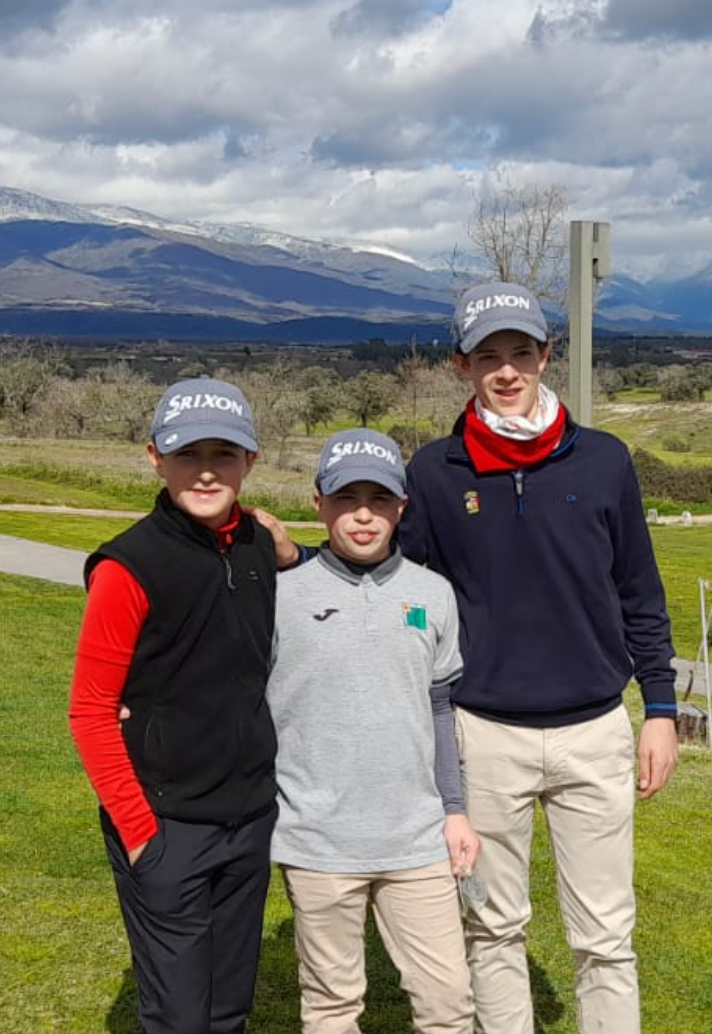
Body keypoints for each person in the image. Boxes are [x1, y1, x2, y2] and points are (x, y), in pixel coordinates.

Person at [398, 282, 680, 1034]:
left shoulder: (605, 462)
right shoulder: (433, 473)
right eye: (488, 356)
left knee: (606, 939)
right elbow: (410, 599)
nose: (507, 370)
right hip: (484, 735)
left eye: (521, 352)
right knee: (493, 930)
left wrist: (660, 710)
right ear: (461, 365)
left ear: (546, 356)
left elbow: (640, 595)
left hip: (595, 730)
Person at [69, 377, 280, 1034]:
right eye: (189, 454)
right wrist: (140, 836)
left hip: (248, 822)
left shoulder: (258, 547)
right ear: (155, 458)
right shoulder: (127, 568)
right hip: (167, 828)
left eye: (225, 454)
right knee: (180, 1019)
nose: (207, 471)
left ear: (250, 461)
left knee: (227, 1010)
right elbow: (89, 711)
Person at [269, 428, 479, 1034]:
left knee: (447, 1003)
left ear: (401, 508)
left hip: (416, 839)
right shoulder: (281, 596)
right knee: (332, 1006)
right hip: (317, 839)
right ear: (318, 504)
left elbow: (440, 708)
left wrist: (455, 810)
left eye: (379, 499)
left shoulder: (432, 594)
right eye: (345, 498)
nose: (363, 515)